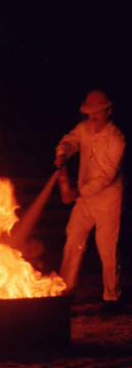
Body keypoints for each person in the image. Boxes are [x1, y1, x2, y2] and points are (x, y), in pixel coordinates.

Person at [55, 90, 125, 310]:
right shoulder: (84, 129)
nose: (92, 117)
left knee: (107, 248)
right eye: (89, 112)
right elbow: (71, 140)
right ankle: (65, 290)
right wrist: (62, 152)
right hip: (85, 199)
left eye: (97, 112)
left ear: (108, 111)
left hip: (107, 200)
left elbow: (107, 176)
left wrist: (78, 192)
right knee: (73, 238)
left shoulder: (117, 140)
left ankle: (111, 297)